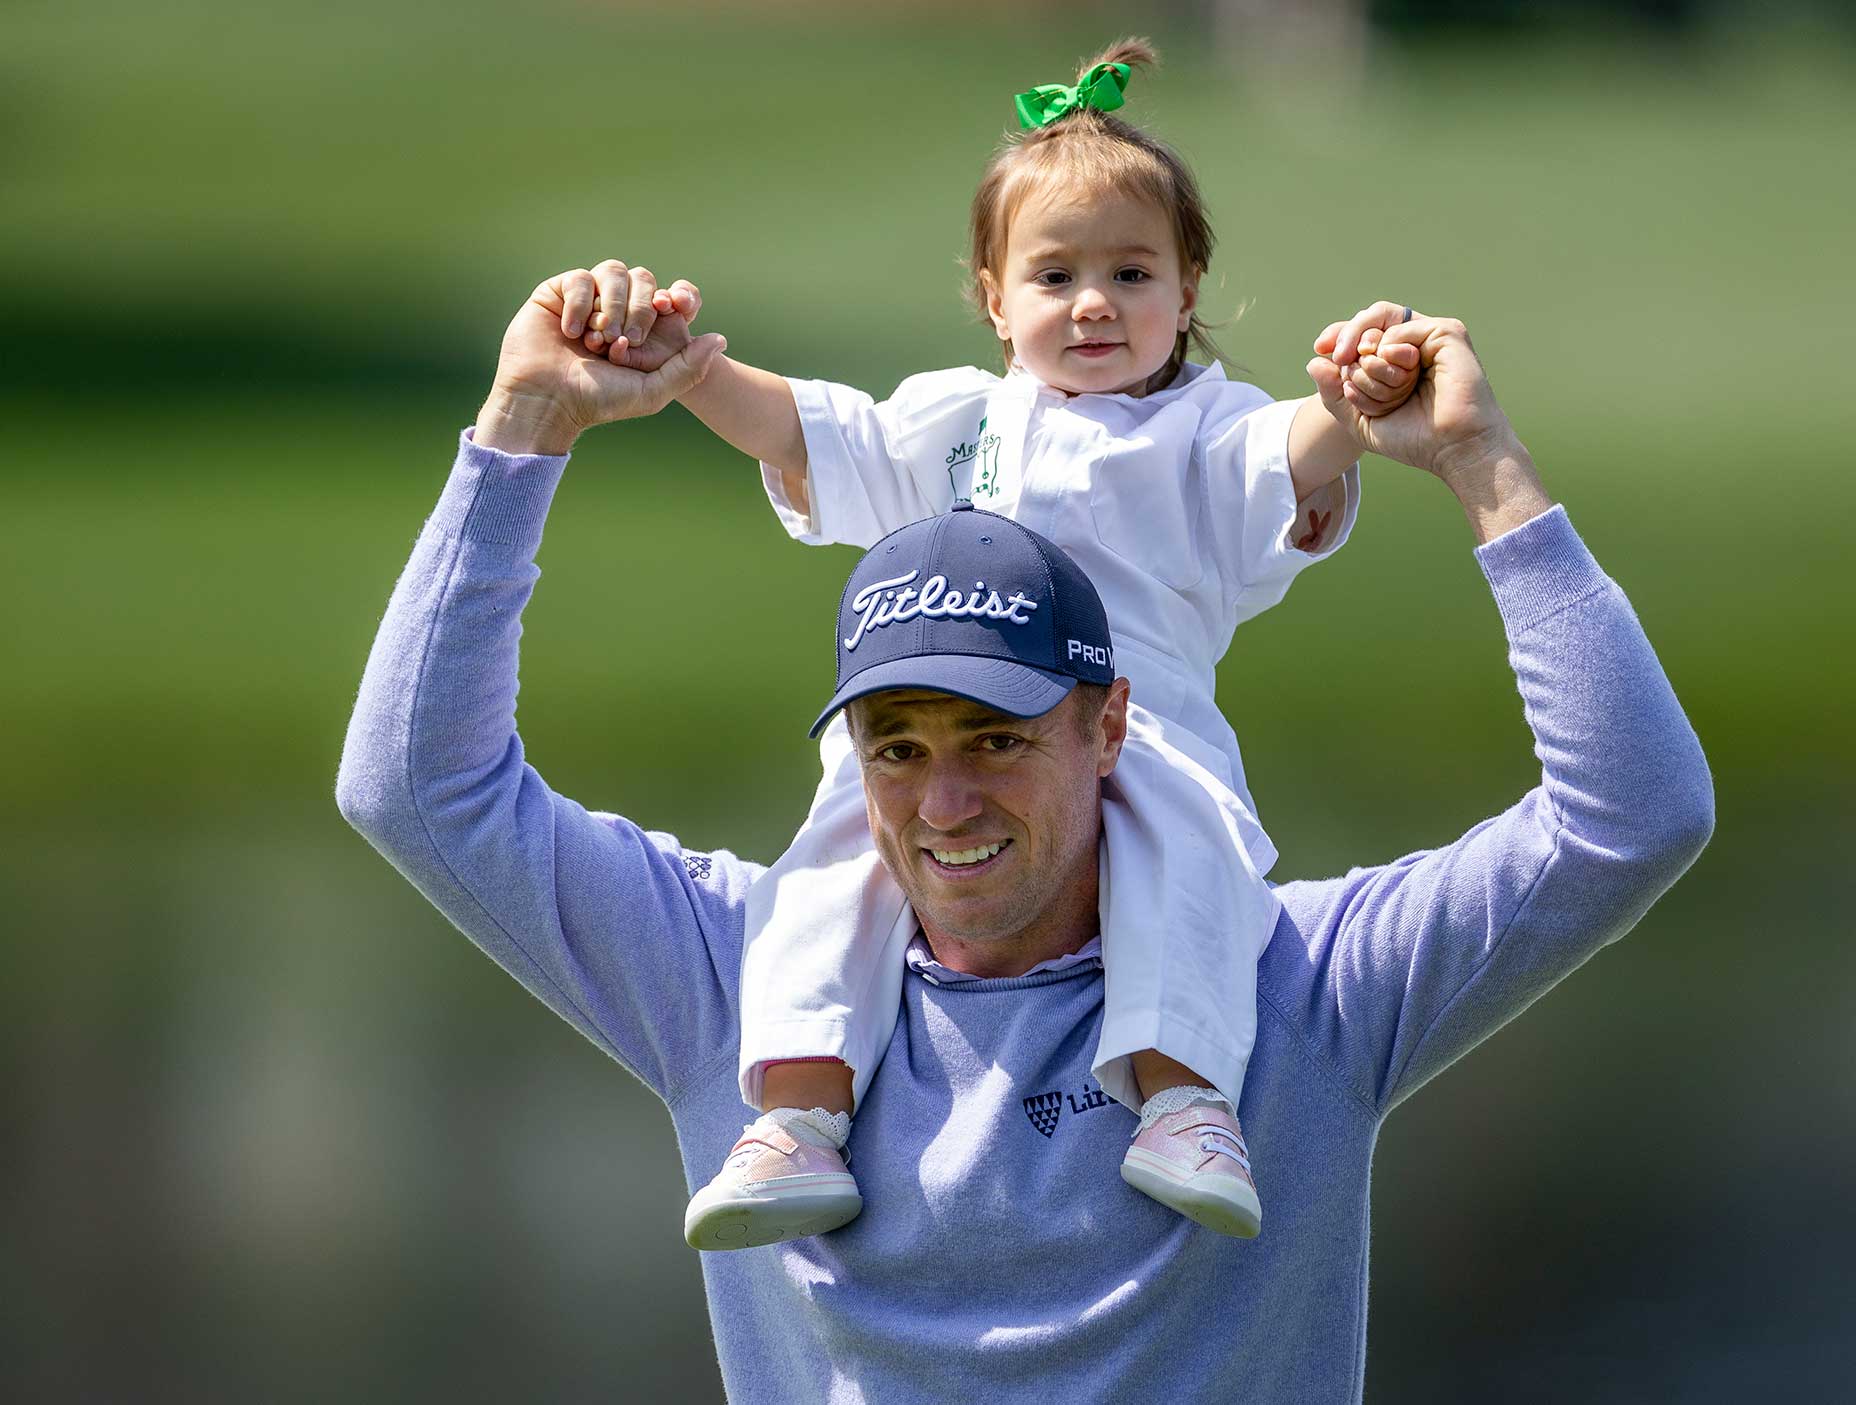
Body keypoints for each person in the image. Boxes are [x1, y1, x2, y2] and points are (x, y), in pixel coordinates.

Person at [334, 264, 1712, 1402]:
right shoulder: (741, 979)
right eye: (900, 749)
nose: (944, 804)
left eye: (996, 739)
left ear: (1107, 728)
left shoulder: (1292, 987)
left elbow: (1632, 817)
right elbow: (414, 788)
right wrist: (523, 424)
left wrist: (1483, 467)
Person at [564, 38, 1429, 1249]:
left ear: (1186, 293)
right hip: (948, 722)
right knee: (835, 857)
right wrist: (690, 371)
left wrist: (1355, 400)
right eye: (1053, 274)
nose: (1092, 303)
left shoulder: (1198, 430)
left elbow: (1287, 458)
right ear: (992, 297)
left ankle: (1181, 1095)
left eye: (1131, 272)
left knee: (1187, 860)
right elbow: (816, 437)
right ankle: (798, 1114)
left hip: (1141, 723)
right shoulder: (958, 420)